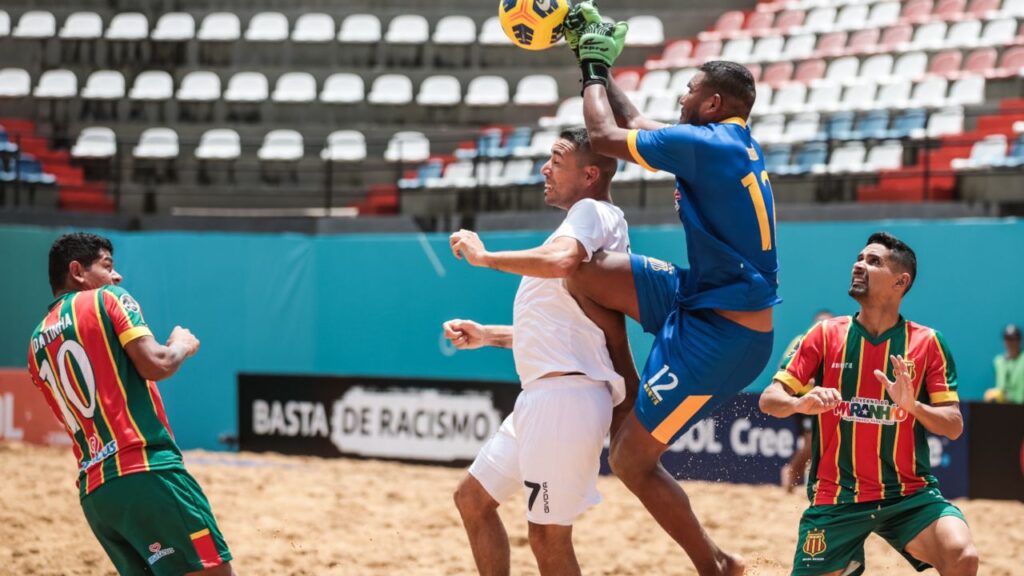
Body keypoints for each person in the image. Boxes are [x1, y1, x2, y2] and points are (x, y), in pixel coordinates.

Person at [555, 6, 781, 575]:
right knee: (584, 271)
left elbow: (607, 138)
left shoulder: (708, 146)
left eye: (689, 91)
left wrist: (589, 68)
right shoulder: (723, 140)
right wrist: (604, 69)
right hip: (702, 294)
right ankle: (628, 385)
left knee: (629, 460)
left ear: (711, 105)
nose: (681, 97)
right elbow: (639, 125)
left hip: (724, 337)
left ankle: (716, 567)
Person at [445, 127, 630, 576]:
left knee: (547, 537)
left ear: (589, 174)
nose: (544, 168)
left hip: (565, 398)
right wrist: (490, 335)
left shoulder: (592, 212)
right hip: (545, 396)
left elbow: (561, 262)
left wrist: (484, 257)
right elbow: (563, 326)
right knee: (472, 500)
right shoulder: (583, 222)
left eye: (556, 160)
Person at [759, 232, 979, 576]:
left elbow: (953, 425)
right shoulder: (823, 335)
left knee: (963, 556)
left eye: (873, 261)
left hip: (908, 495)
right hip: (837, 498)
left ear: (900, 282)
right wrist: (801, 403)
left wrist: (914, 407)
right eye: (859, 258)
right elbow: (769, 399)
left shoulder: (929, 343)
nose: (859, 265)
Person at [27, 232, 235, 576]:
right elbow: (158, 363)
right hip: (147, 473)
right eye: (108, 266)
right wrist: (180, 344)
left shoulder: (35, 344)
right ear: (77, 271)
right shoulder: (107, 299)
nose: (116, 276)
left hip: (97, 495)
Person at [780, 310, 835, 493]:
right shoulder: (802, 340)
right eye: (820, 323)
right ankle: (793, 472)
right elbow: (785, 366)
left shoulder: (837, 343)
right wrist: (805, 378)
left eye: (826, 324)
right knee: (812, 441)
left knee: (818, 443)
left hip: (825, 399)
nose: (822, 327)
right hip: (802, 397)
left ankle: (799, 475)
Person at [984, 324, 1024, 403]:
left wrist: (1008, 396)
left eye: (1014, 339)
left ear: (1019, 340)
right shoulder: (998, 361)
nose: (1011, 342)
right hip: (1002, 409)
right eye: (1007, 338)